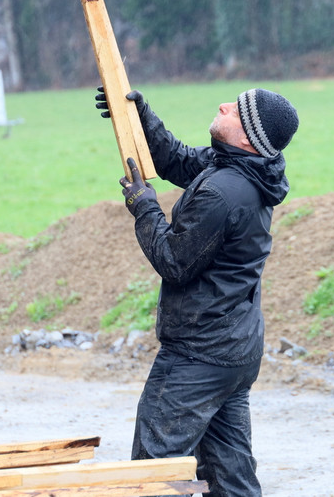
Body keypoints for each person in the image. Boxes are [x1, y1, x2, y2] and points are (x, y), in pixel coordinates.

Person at [95, 86, 298, 497]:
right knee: (231, 477)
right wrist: (137, 117)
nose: (224, 105)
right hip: (233, 352)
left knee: (154, 472)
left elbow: (173, 261)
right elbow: (177, 159)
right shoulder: (242, 168)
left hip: (197, 356)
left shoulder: (223, 193)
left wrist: (144, 206)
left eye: (236, 110)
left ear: (248, 137)